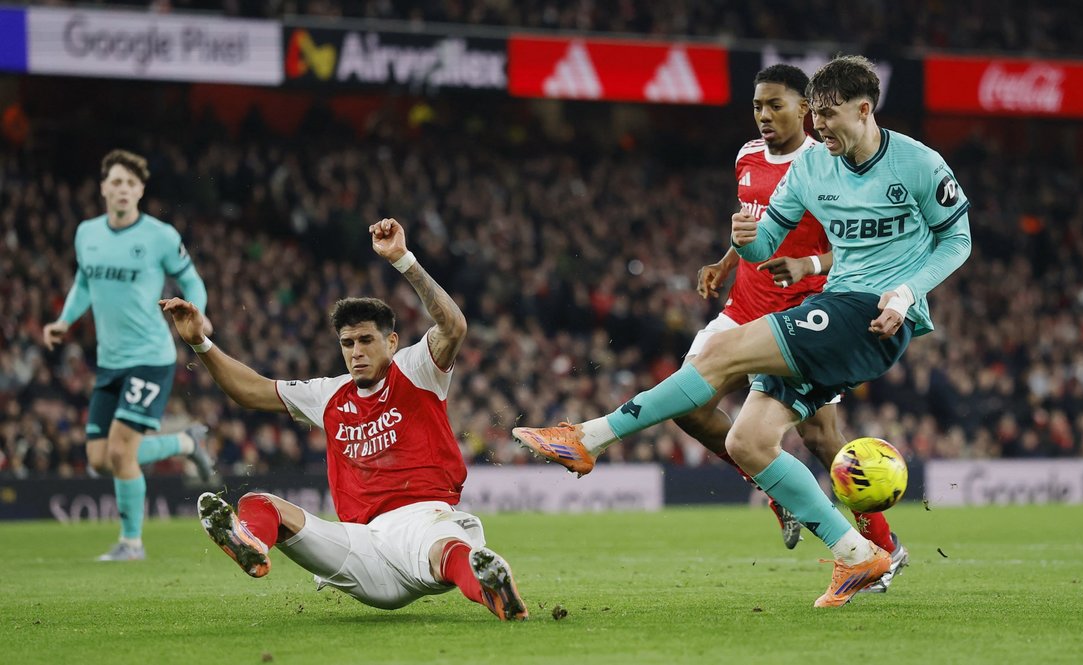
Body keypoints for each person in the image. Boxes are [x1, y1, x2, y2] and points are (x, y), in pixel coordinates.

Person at [515, 55, 972, 607]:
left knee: (722, 354)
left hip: (871, 313)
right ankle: (859, 556)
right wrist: (743, 240)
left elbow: (958, 240)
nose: (819, 127)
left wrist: (906, 292)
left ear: (864, 109)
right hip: (832, 306)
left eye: (828, 115)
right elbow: (764, 245)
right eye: (816, 116)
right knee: (748, 443)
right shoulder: (811, 168)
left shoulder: (918, 163)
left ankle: (586, 439)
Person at [161, 217, 528, 621]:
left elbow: (453, 325)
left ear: (391, 341)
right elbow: (250, 391)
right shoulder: (329, 394)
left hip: (424, 521)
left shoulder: (416, 368)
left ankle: (494, 591)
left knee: (446, 551)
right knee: (258, 503)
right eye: (347, 343)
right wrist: (200, 342)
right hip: (362, 544)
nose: (356, 352)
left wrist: (404, 260)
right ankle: (250, 545)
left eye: (366, 340)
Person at [42, 149, 215, 562]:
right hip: (110, 362)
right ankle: (185, 442)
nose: (123, 189)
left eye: (130, 183)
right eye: (116, 182)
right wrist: (64, 321)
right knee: (99, 460)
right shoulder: (86, 233)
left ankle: (131, 544)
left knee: (121, 451)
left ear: (140, 190)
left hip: (150, 357)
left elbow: (190, 279)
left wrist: (199, 312)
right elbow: (84, 282)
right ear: (104, 188)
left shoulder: (160, 236)